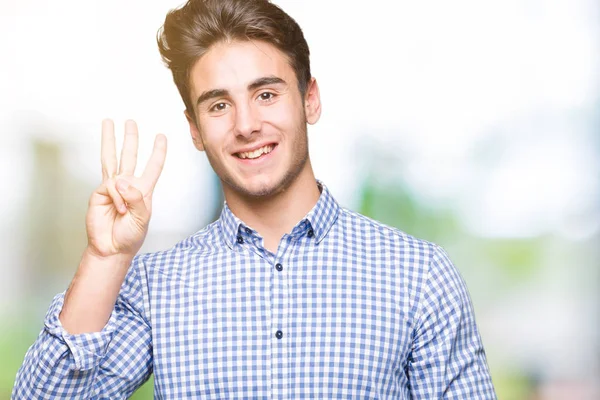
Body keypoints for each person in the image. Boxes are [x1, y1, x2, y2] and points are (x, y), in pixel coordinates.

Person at [12, 0, 497, 398]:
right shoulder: (156, 287)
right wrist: (105, 257)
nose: (245, 125)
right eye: (219, 105)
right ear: (196, 130)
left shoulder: (417, 275)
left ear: (310, 100)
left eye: (266, 94)